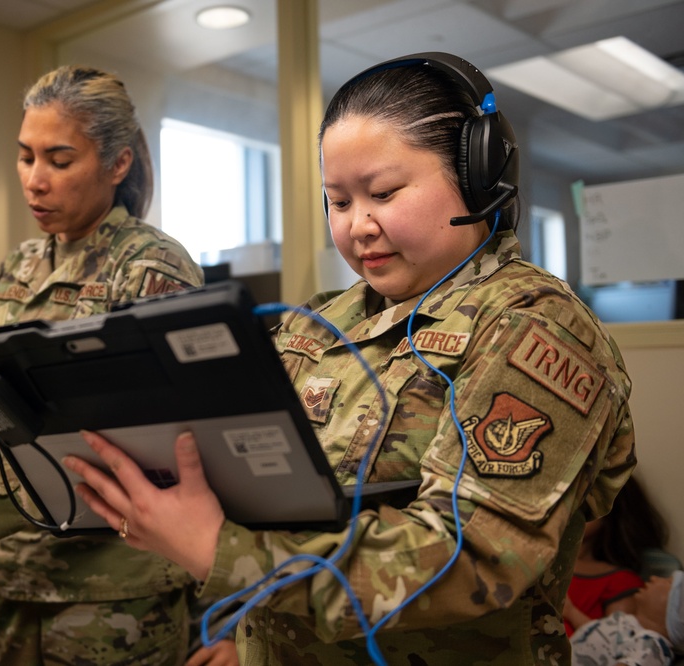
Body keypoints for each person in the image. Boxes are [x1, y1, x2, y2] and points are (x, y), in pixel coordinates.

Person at [63, 52, 637, 664]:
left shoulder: (532, 325)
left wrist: (218, 552)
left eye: (384, 193)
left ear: (475, 174)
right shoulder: (317, 322)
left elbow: (473, 556)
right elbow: (260, 494)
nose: (358, 225)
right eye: (338, 201)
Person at [0, 66, 237, 665]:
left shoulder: (150, 267)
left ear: (118, 165)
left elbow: (159, 447)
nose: (35, 181)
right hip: (14, 584)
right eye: (26, 157)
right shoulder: (19, 268)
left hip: (114, 596)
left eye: (59, 160)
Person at [565, 475, 669, 636]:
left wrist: (571, 613)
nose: (571, 507)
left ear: (612, 509)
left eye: (586, 498)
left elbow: (619, 648)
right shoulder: (533, 563)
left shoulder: (620, 582)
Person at [571, 571, 684, 666]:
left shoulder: (653, 647)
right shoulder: (630, 624)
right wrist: (571, 611)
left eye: (668, 582)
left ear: (675, 611)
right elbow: (599, 637)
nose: (654, 578)